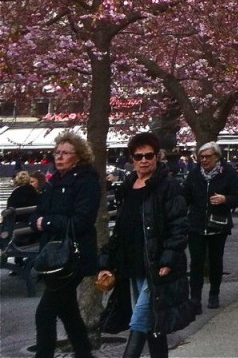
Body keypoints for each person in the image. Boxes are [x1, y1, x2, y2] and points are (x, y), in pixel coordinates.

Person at [98, 131, 193, 358]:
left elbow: (179, 226)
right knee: (153, 324)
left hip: (156, 266)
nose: (143, 160)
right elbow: (120, 229)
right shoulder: (128, 186)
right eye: (138, 156)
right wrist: (106, 261)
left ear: (157, 157)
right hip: (133, 265)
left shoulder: (168, 186)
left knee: (139, 321)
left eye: (148, 155)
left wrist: (168, 259)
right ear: (131, 159)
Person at [31, 132, 100, 358]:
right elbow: (38, 214)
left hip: (73, 258)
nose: (59, 157)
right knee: (69, 312)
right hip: (53, 257)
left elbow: (81, 221)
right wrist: (39, 221)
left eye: (65, 153)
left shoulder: (87, 181)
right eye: (57, 152)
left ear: (78, 156)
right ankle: (84, 354)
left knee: (44, 313)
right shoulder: (53, 182)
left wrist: (48, 222)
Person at [183, 141, 238, 312]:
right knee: (196, 262)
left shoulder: (228, 173)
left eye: (208, 156)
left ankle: (214, 293)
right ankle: (195, 298)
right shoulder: (194, 174)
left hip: (218, 223)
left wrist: (225, 199)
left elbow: (237, 197)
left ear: (217, 157)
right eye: (201, 157)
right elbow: (185, 197)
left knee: (216, 260)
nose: (204, 160)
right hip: (196, 224)